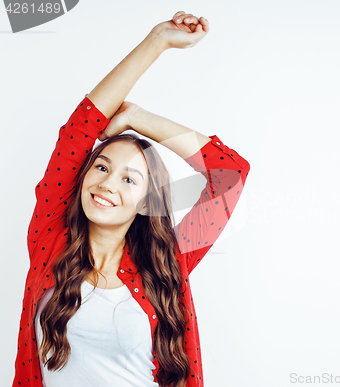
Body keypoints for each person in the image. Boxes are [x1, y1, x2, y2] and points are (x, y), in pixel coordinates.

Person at [13, 11, 250, 387]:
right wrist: (157, 39)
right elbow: (79, 128)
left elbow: (230, 174)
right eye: (102, 168)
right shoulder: (49, 239)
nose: (108, 184)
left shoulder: (168, 261)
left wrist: (138, 118)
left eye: (129, 179)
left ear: (146, 201)